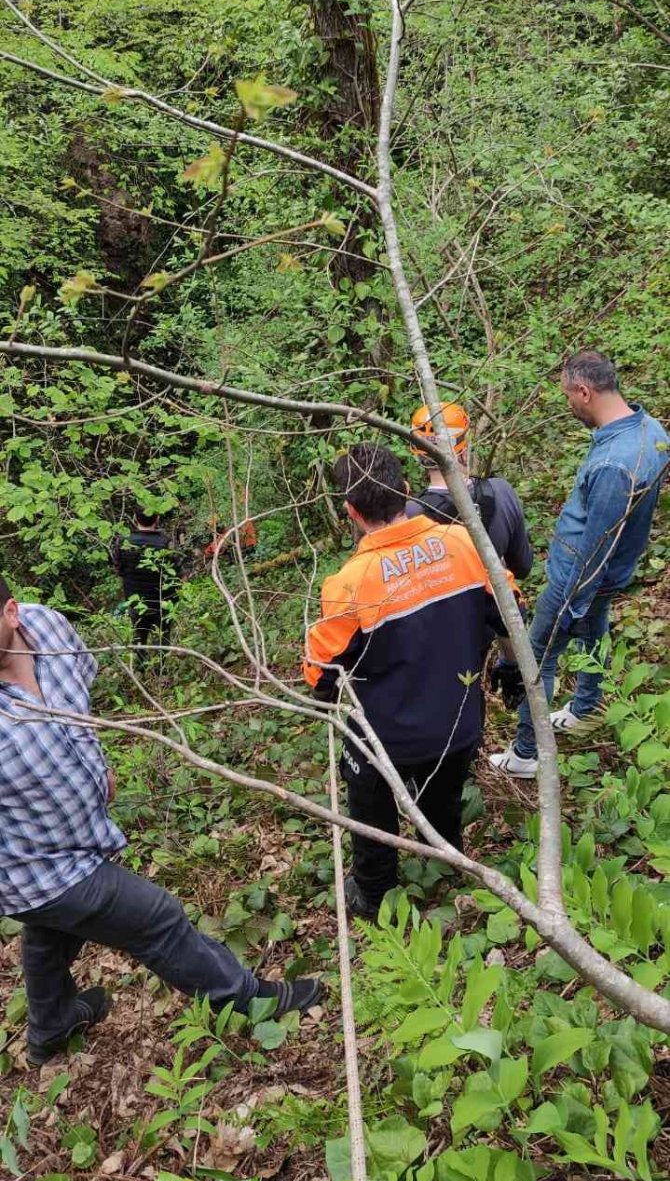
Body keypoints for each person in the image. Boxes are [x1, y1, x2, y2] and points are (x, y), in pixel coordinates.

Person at [0, 580, 321, 1065]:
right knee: (157, 919)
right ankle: (245, 998)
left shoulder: (49, 627)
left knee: (49, 934)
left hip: (80, 837)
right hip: (37, 870)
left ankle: (51, 1027)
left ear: (11, 613)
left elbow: (78, 708)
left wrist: (95, 764)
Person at [303, 443, 521, 920]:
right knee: (443, 796)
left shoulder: (348, 585)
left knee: (371, 812)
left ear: (350, 512)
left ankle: (375, 894)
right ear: (406, 490)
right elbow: (511, 613)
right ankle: (443, 860)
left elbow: (321, 677)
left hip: (386, 737)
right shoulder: (465, 544)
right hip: (460, 721)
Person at [489, 351, 669, 778]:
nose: (569, 405)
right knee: (595, 634)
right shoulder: (649, 430)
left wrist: (573, 603)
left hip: (578, 580)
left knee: (538, 658)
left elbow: (595, 548)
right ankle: (586, 708)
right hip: (609, 577)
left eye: (569, 396)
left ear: (585, 392)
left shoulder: (612, 466)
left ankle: (526, 753)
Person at [407, 400, 533, 711]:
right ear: (464, 445)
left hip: (435, 636)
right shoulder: (501, 493)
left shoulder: (410, 516)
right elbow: (522, 567)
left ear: (417, 453)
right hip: (487, 624)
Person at [111, 508, 179, 653]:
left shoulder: (123, 542)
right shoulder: (166, 543)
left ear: (135, 518)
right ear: (157, 519)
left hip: (136, 602)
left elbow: (118, 570)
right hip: (163, 601)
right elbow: (177, 572)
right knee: (163, 638)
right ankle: (162, 669)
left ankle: (141, 669)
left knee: (139, 636)